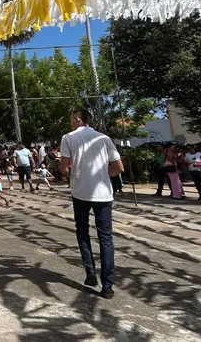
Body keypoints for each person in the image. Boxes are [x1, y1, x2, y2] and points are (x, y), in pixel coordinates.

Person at [60, 108, 123, 299]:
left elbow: (64, 168)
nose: (71, 122)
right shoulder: (104, 138)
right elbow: (119, 167)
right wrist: (103, 175)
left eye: (72, 119)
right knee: (106, 238)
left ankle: (90, 273)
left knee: (82, 231)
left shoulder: (68, 138)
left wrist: (75, 177)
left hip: (80, 192)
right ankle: (108, 285)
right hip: (103, 194)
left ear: (78, 119)